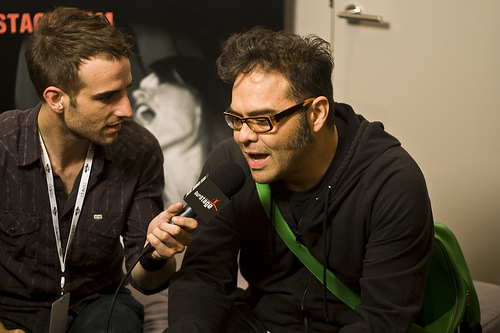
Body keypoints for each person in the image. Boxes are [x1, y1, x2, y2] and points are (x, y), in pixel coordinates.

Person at [166, 26, 434, 332]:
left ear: (317, 113)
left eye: (262, 121)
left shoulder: (393, 182)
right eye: (236, 119)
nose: (244, 136)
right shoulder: (228, 163)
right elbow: (203, 274)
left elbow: (383, 320)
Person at [0, 7, 196, 333]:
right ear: (56, 98)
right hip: (9, 309)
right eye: (108, 97)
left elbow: (147, 282)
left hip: (97, 305)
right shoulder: (3, 145)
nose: (127, 108)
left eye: (126, 89)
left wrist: (156, 254)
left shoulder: (138, 149)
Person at [132, 57, 231, 207]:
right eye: (140, 88)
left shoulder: (225, 187)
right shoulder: (133, 204)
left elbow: (202, 218)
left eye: (160, 82)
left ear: (199, 101)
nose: (137, 94)